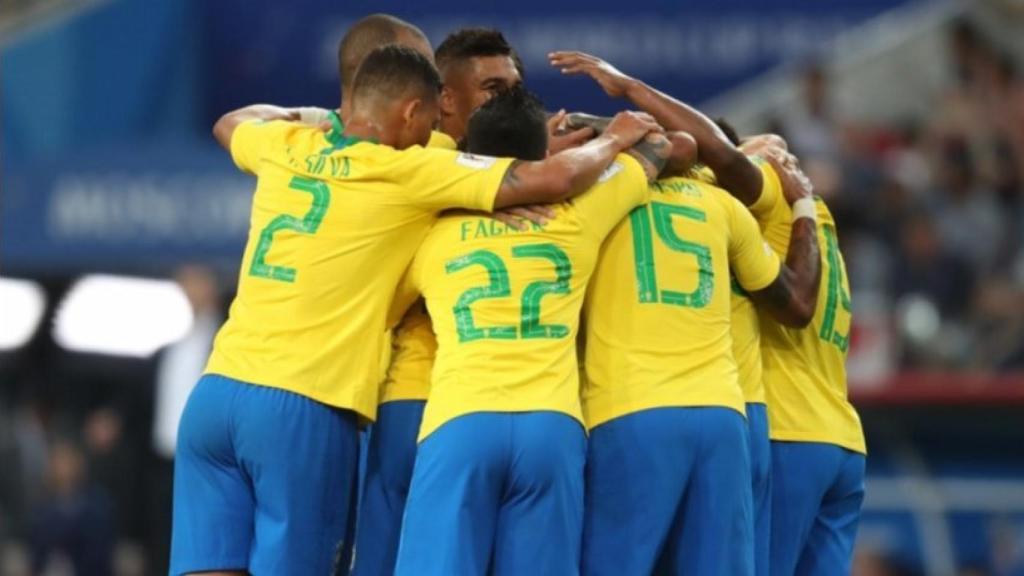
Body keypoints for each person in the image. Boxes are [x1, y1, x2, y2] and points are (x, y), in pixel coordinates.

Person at [170, 43, 660, 576]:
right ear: (411, 112)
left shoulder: (284, 144)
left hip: (216, 394)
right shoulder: (414, 170)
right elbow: (557, 180)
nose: (434, 134)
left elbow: (231, 122)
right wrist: (612, 139)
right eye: (430, 121)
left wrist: (323, 118)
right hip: (304, 401)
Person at [551, 50, 823, 576]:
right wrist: (803, 207)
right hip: (724, 414)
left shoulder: (587, 201)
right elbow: (795, 302)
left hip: (632, 410)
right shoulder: (720, 205)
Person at [392, 86, 678, 575]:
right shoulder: (579, 215)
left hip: (462, 421)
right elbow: (658, 144)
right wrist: (601, 134)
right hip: (551, 425)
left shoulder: (430, 230)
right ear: (544, 154)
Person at [353, 27, 590, 576]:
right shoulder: (410, 166)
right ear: (444, 99)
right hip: (417, 397)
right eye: (492, 88)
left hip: (491, 407)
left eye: (514, 87)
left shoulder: (526, 171)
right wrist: (521, 178)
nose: (507, 98)